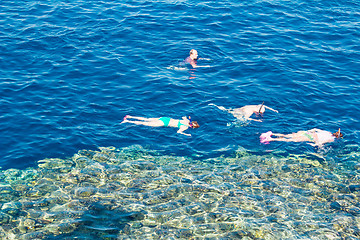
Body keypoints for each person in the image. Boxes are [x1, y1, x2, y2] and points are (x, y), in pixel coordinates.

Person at [121, 115, 200, 136]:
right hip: (164, 123)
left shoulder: (186, 121)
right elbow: (178, 132)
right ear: (192, 127)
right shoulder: (185, 127)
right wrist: (186, 134)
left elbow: (183, 117)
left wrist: (187, 119)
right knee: (144, 123)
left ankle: (129, 116)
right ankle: (127, 121)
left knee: (147, 119)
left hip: (165, 118)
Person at [260, 128, 343, 147]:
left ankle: (272, 134)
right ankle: (271, 139)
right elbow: (320, 142)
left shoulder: (328, 132)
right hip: (310, 138)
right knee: (290, 140)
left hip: (307, 133)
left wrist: (310, 130)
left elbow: (315, 129)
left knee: (288, 135)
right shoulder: (331, 139)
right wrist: (315, 145)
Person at [209, 102, 278, 122]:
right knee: (242, 122)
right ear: (257, 112)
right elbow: (246, 118)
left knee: (227, 110)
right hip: (237, 113)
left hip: (238, 109)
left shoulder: (259, 106)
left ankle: (215, 105)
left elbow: (265, 106)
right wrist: (256, 120)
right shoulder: (249, 112)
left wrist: (273, 110)